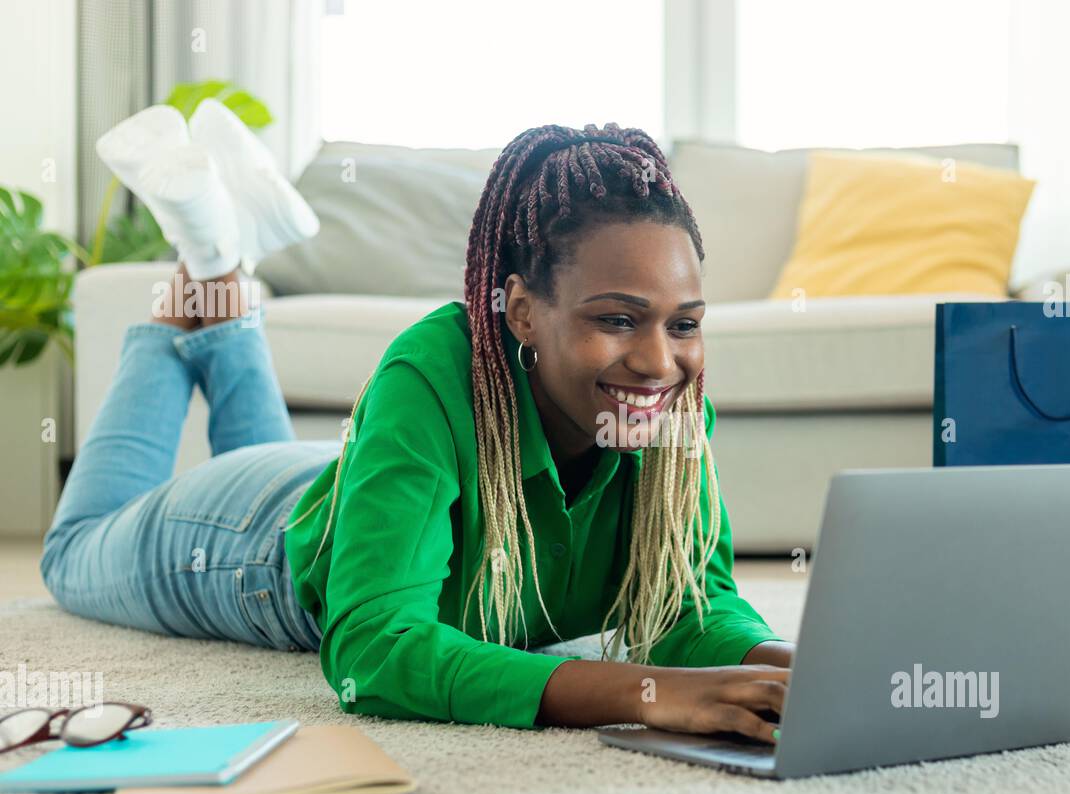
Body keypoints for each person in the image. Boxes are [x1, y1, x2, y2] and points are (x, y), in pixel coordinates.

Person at [41, 110, 793, 743]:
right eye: (618, 319)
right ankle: (202, 264)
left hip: (360, 487)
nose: (659, 361)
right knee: (73, 556)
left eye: (684, 323)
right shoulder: (433, 373)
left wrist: (793, 663)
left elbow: (693, 606)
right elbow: (375, 649)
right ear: (523, 309)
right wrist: (647, 693)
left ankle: (219, 259)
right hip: (246, 541)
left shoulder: (667, 412)